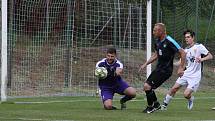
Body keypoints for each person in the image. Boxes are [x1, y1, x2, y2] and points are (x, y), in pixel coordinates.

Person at [138, 23, 186, 113]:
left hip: (166, 70)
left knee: (147, 86)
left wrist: (181, 68)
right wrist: (145, 64)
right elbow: (156, 54)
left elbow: (183, 52)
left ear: (161, 31)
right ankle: (156, 104)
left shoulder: (169, 40)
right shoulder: (157, 41)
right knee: (148, 87)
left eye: (155, 30)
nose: (153, 32)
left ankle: (151, 107)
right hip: (159, 69)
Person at [161, 29, 213, 110]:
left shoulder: (199, 47)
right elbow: (181, 61)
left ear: (193, 38)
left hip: (195, 76)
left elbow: (210, 56)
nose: (186, 39)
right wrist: (170, 63)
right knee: (174, 88)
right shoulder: (185, 50)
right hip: (186, 73)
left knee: (186, 94)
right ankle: (164, 106)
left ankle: (190, 98)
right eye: (185, 37)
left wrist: (202, 59)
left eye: (188, 37)